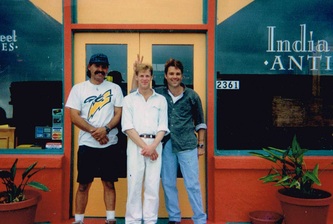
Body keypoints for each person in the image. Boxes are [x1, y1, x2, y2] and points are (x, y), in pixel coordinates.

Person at [132, 56, 207, 224]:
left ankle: (200, 219)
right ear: (165, 76)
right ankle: (174, 218)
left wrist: (200, 145)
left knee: (192, 184)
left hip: (187, 144)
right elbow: (135, 91)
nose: (175, 77)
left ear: (182, 76)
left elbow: (200, 122)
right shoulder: (158, 93)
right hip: (165, 144)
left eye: (178, 73)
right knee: (168, 183)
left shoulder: (192, 96)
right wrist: (135, 71)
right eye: (171, 73)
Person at [66, 53, 124, 224]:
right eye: (97, 66)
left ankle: (111, 219)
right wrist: (95, 132)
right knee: (83, 184)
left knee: (109, 184)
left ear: (107, 69)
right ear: (89, 67)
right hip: (87, 144)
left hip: (109, 144)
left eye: (104, 66)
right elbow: (74, 116)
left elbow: (118, 113)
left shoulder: (115, 89)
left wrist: (105, 130)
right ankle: (78, 220)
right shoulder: (79, 89)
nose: (100, 70)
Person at [122, 63, 169, 224]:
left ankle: (150, 220)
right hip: (136, 145)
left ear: (151, 77)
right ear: (136, 77)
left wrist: (153, 146)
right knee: (134, 184)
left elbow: (163, 126)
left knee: (152, 185)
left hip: (156, 144)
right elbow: (127, 127)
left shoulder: (161, 100)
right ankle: (133, 220)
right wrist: (146, 148)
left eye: (147, 76)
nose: (144, 79)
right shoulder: (128, 100)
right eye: (141, 76)